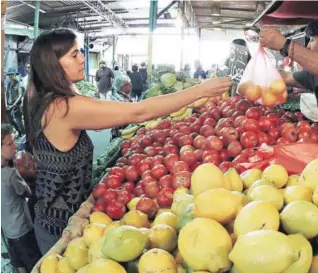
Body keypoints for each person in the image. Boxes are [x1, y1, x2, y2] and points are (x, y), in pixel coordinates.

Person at [25, 28, 231, 254]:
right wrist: (199, 91)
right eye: (74, 54)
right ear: (52, 64)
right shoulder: (63, 108)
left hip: (50, 214)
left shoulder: (41, 97)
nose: (83, 58)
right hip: (60, 227)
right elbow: (138, 112)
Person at [260, 18, 318, 145]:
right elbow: (287, 77)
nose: (308, 45)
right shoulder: (316, 75)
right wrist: (259, 73)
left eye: (312, 40)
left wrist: (286, 45)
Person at [1, 124, 41, 273]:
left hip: (8, 231)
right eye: (10, 143)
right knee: (34, 264)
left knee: (18, 264)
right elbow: (26, 192)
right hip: (22, 229)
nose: (15, 146)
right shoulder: (10, 174)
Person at [110, 76, 133, 140]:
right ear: (120, 87)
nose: (130, 86)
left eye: (130, 84)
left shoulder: (125, 96)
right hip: (120, 129)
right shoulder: (118, 98)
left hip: (125, 127)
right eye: (127, 85)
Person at [5, 68, 25, 136]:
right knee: (10, 121)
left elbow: (20, 95)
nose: (10, 76)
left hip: (16, 106)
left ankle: (24, 134)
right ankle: (19, 132)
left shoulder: (18, 84)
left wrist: (13, 105)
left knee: (19, 121)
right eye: (9, 75)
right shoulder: (8, 85)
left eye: (12, 75)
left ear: (14, 75)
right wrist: (7, 104)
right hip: (9, 105)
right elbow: (7, 95)